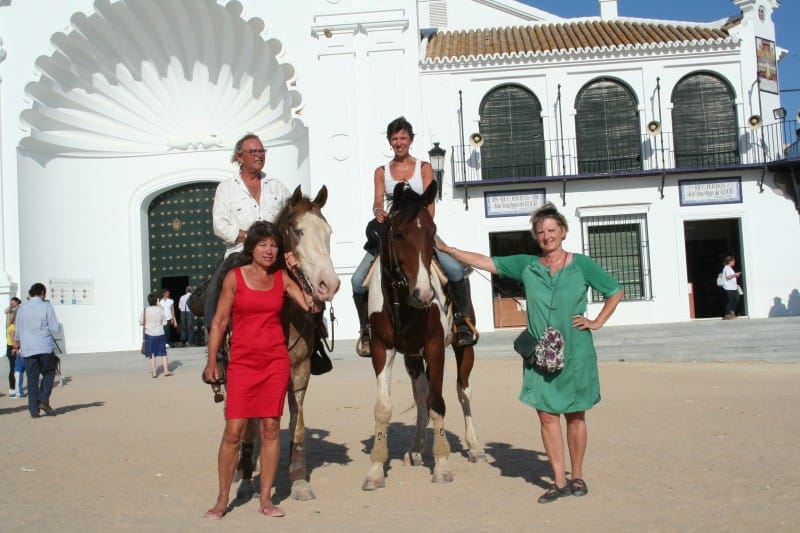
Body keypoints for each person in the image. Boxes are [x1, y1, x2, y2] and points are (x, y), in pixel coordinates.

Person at [434, 202, 623, 504]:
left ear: (563, 231)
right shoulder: (527, 264)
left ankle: (577, 476)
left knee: (575, 416)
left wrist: (597, 321)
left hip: (576, 351)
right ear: (536, 237)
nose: (547, 236)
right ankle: (558, 480)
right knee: (547, 418)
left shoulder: (582, 265)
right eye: (541, 232)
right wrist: (449, 250)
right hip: (539, 353)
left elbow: (614, 290)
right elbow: (485, 261)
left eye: (552, 230)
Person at [202, 221, 313, 520]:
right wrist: (212, 360)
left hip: (275, 362)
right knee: (233, 431)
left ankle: (266, 499)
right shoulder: (235, 278)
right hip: (242, 363)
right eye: (263, 244)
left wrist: (298, 272)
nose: (269, 249)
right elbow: (220, 322)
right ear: (252, 247)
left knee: (271, 428)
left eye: (274, 244)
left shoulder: (281, 278)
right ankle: (223, 498)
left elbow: (310, 305)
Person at [351, 116, 477, 356]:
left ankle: (462, 321)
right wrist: (378, 212)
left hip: (420, 233)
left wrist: (426, 228)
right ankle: (366, 329)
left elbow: (430, 202)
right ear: (390, 142)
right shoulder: (381, 171)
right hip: (393, 235)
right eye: (395, 138)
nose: (399, 142)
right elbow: (378, 201)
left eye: (403, 138)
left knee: (455, 270)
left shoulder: (423, 167)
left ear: (411, 140)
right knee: (357, 281)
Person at [13, 283, 62, 418]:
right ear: (42, 293)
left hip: (28, 348)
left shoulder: (22, 309)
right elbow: (54, 326)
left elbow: (18, 329)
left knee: (32, 379)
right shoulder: (46, 306)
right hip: (44, 346)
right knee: (49, 372)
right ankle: (43, 399)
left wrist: (17, 343)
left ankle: (34, 410)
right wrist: (59, 329)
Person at [140, 293, 171, 378]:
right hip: (160, 333)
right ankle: (166, 371)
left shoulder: (145, 310)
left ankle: (154, 372)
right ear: (156, 300)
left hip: (149, 333)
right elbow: (164, 322)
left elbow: (141, 322)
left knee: (151, 353)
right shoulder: (160, 309)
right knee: (163, 353)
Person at [5, 297, 21, 397]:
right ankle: (13, 389)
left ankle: (13, 388)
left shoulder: (10, 326)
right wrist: (16, 348)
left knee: (13, 368)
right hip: (12, 348)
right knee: (14, 369)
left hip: (10, 347)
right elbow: (14, 341)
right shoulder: (13, 327)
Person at [721, 255, 742, 319]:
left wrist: (736, 284)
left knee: (737, 299)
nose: (734, 262)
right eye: (733, 261)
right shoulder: (726, 268)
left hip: (733, 287)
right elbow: (728, 277)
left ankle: (731, 312)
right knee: (730, 300)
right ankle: (727, 314)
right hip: (728, 288)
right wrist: (735, 275)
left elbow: (731, 277)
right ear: (730, 261)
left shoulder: (730, 268)